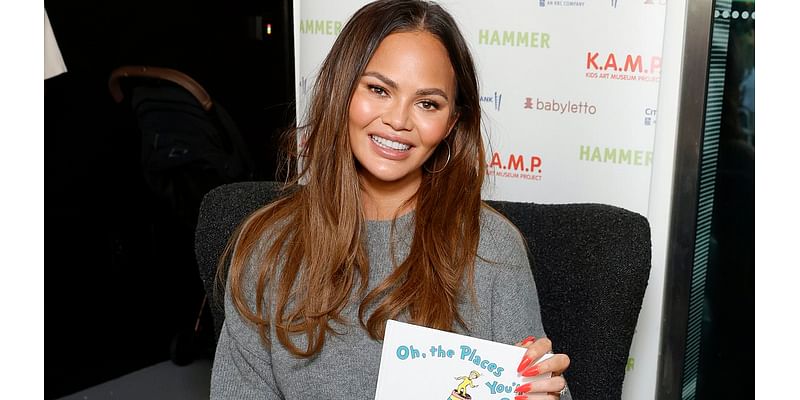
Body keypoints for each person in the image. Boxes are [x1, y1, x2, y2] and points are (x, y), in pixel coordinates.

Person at [210, 1, 571, 399]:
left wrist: (542, 394)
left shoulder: (492, 249)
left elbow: (541, 385)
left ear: (452, 123)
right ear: (341, 91)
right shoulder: (269, 245)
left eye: (427, 103)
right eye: (379, 90)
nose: (399, 121)